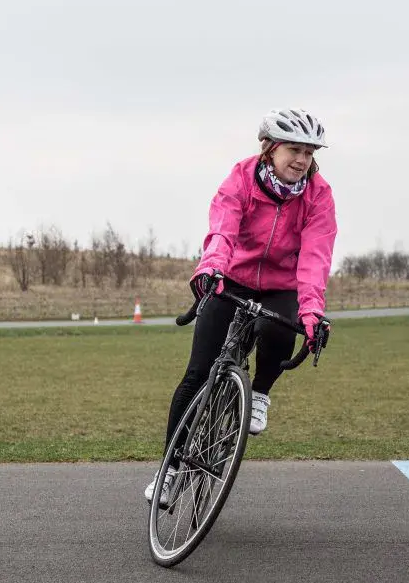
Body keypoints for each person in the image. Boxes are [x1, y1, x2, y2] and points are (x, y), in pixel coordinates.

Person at [145, 108, 338, 504]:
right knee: (197, 373)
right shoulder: (242, 178)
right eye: (294, 149)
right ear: (270, 149)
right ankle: (171, 470)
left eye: (309, 152)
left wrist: (312, 311)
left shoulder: (319, 196)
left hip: (281, 286)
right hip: (232, 277)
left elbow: (315, 257)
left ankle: (261, 392)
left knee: (280, 328)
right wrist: (212, 268)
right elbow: (223, 228)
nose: (302, 160)